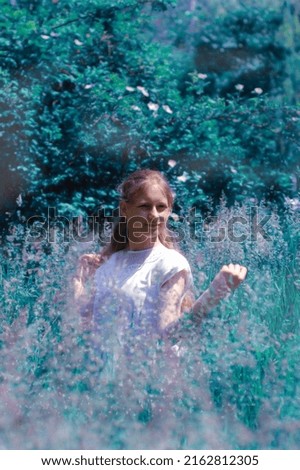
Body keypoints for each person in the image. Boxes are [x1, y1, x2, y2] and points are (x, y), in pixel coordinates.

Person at [73, 169, 247, 338]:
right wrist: (79, 279)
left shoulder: (171, 264)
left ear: (169, 210)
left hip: (151, 367)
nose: (154, 215)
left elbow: (167, 336)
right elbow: (84, 326)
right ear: (125, 209)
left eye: (161, 207)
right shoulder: (109, 264)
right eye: (145, 206)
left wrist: (214, 295)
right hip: (110, 368)